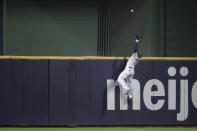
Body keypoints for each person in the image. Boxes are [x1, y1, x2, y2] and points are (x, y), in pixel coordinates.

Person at [117, 35, 141, 100]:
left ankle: (126, 88)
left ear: (137, 54)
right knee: (129, 83)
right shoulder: (137, 59)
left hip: (128, 70)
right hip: (132, 71)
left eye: (137, 52)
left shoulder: (134, 55)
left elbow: (135, 49)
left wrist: (137, 41)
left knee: (119, 79)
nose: (137, 52)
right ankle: (130, 96)